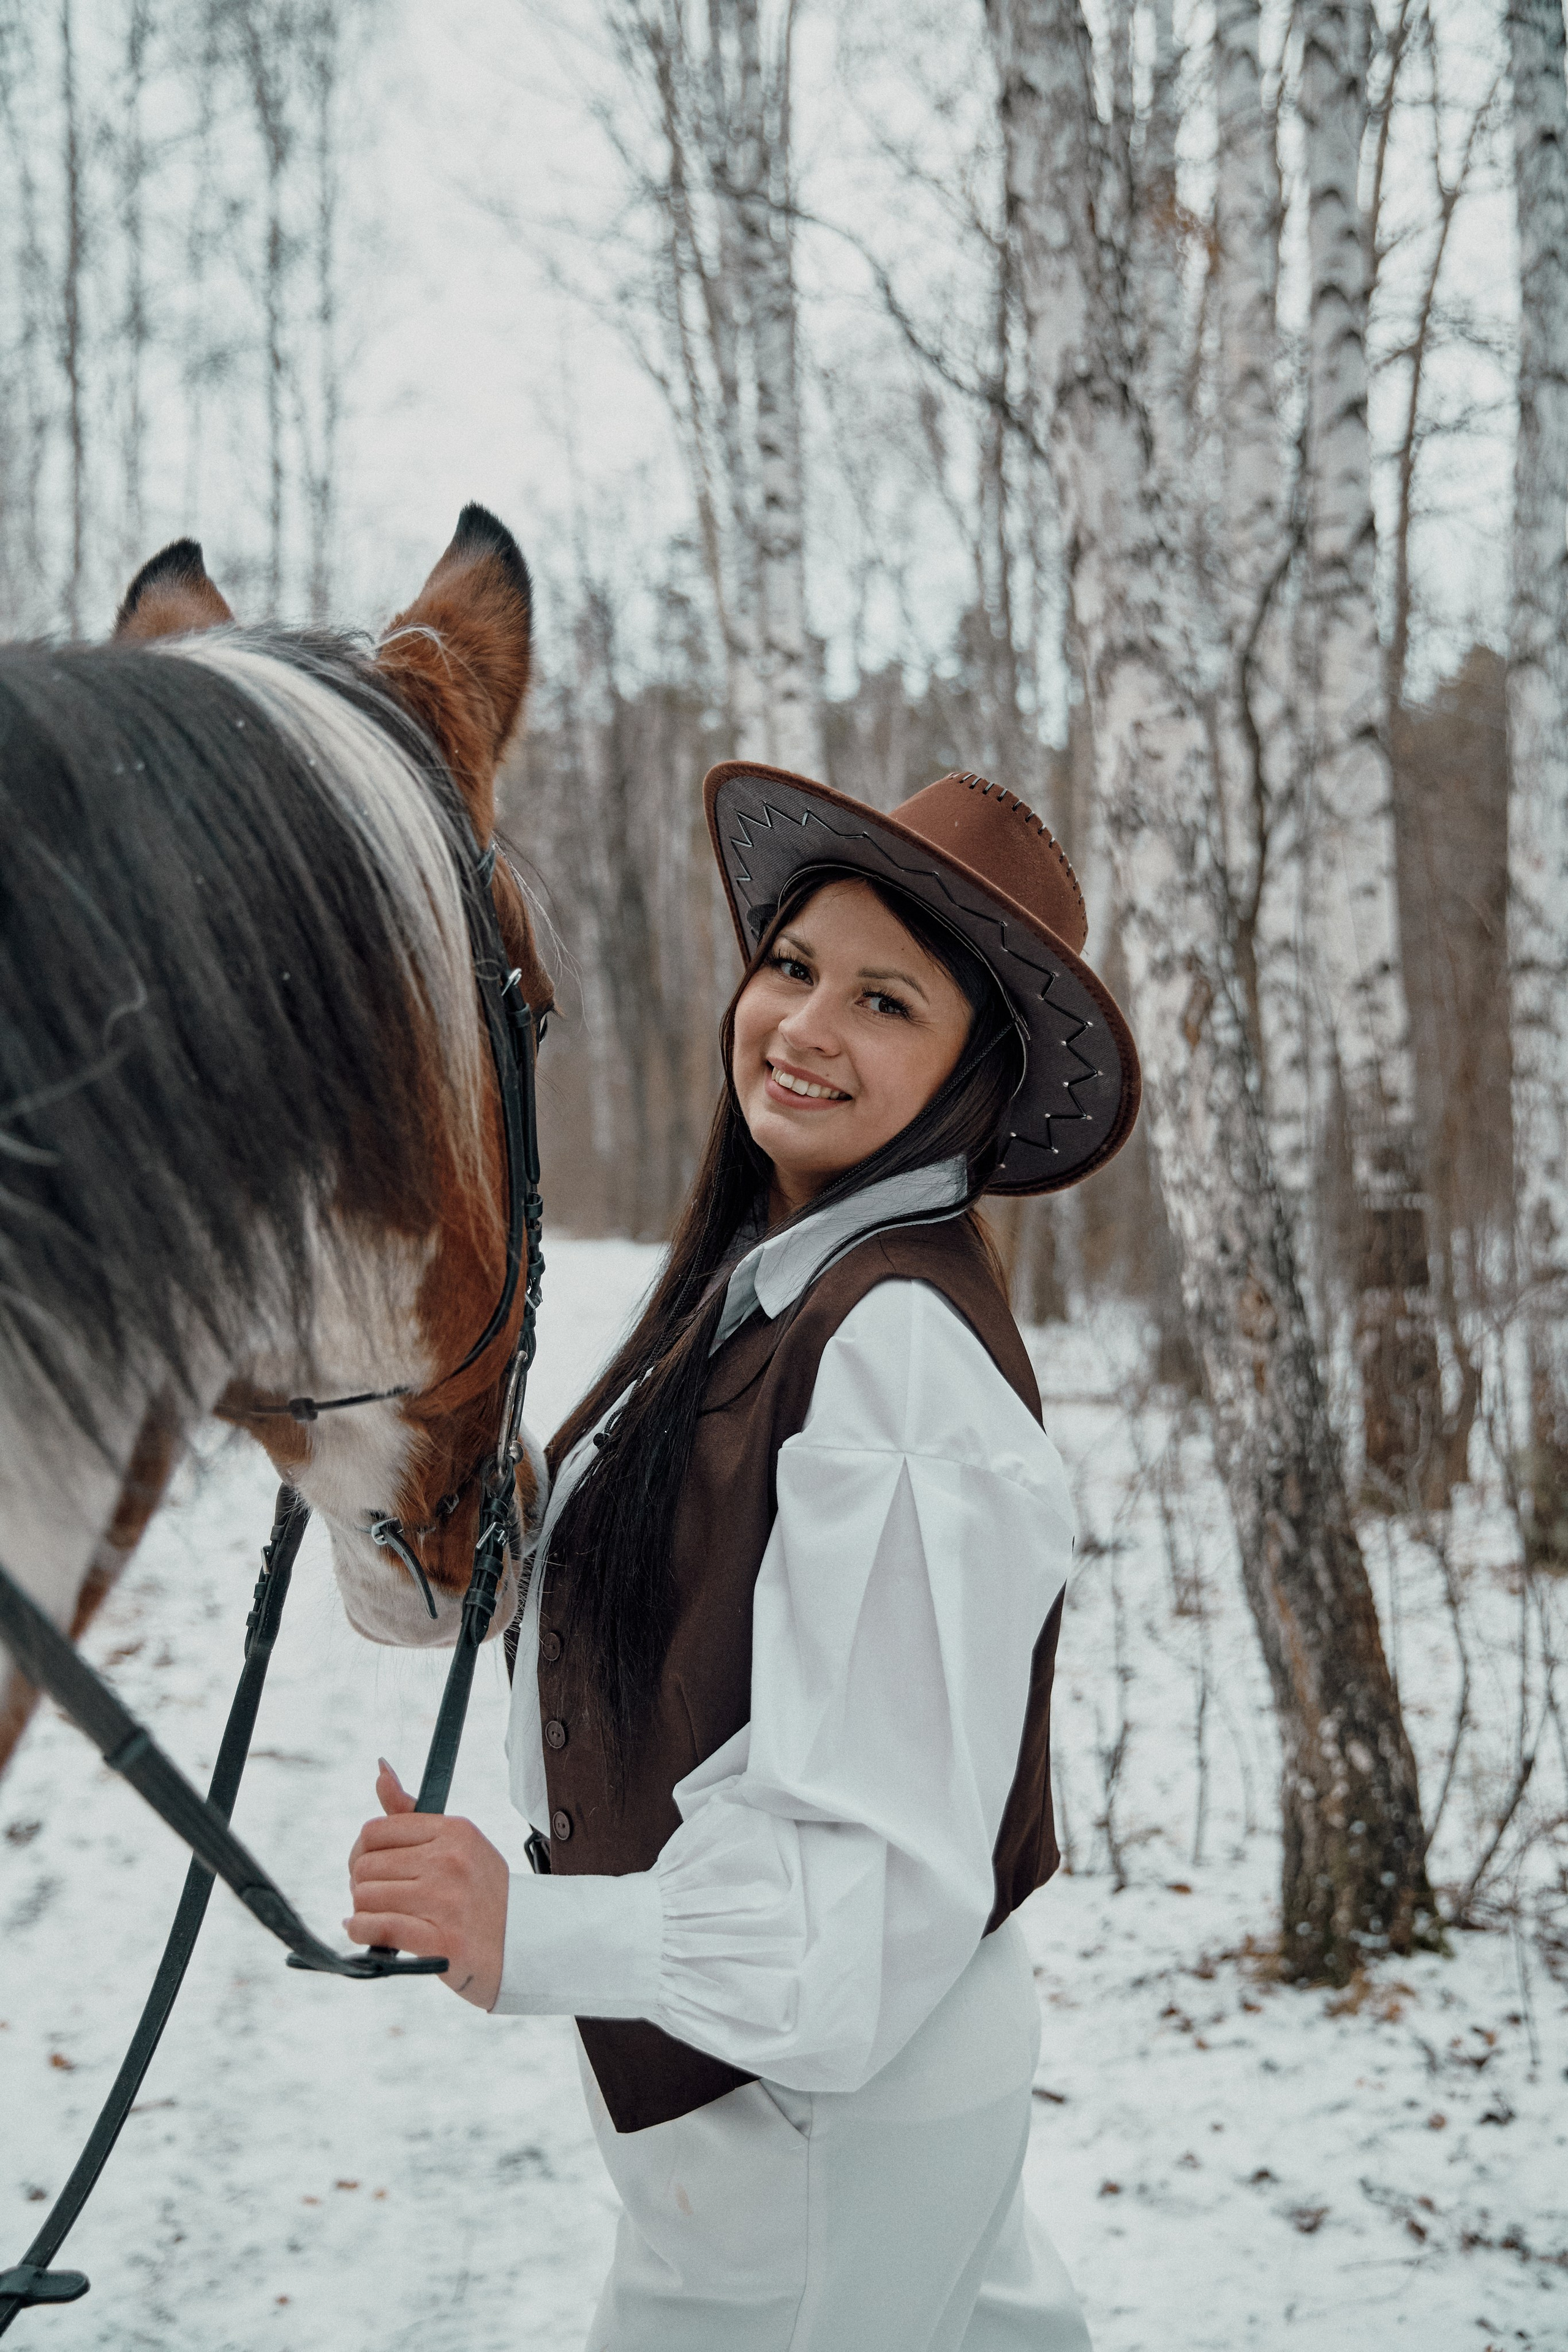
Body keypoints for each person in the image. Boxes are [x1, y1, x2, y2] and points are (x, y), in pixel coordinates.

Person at [344, 761, 1141, 2350]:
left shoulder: (896, 1355)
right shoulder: (764, 1288)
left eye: (887, 1002)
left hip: (820, 2108)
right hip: (769, 2101)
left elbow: (866, 1909)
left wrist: (535, 1926)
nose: (805, 1026)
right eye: (792, 967)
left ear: (972, 1073)